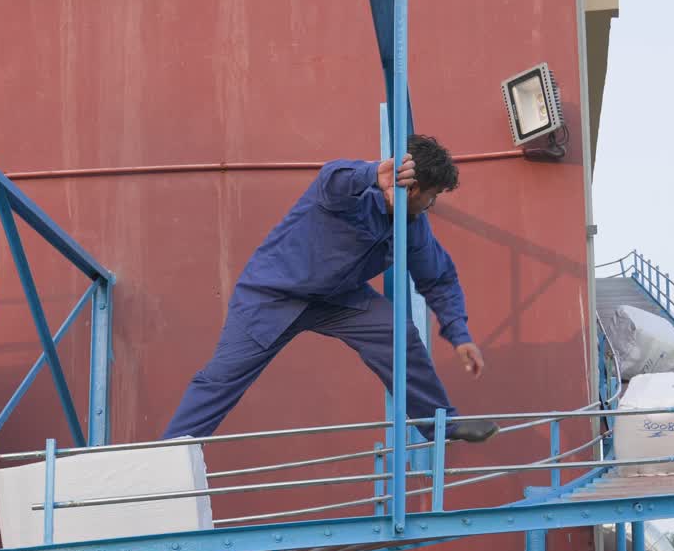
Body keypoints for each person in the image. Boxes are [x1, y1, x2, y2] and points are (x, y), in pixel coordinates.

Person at [162, 134, 499, 443]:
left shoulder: (413, 226)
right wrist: (372, 174)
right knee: (221, 379)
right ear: (412, 189)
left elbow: (438, 277)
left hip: (340, 300)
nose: (431, 204)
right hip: (272, 295)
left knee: (396, 333)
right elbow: (332, 178)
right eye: (432, 196)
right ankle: (168, 454)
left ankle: (440, 423)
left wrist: (460, 334)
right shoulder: (351, 191)